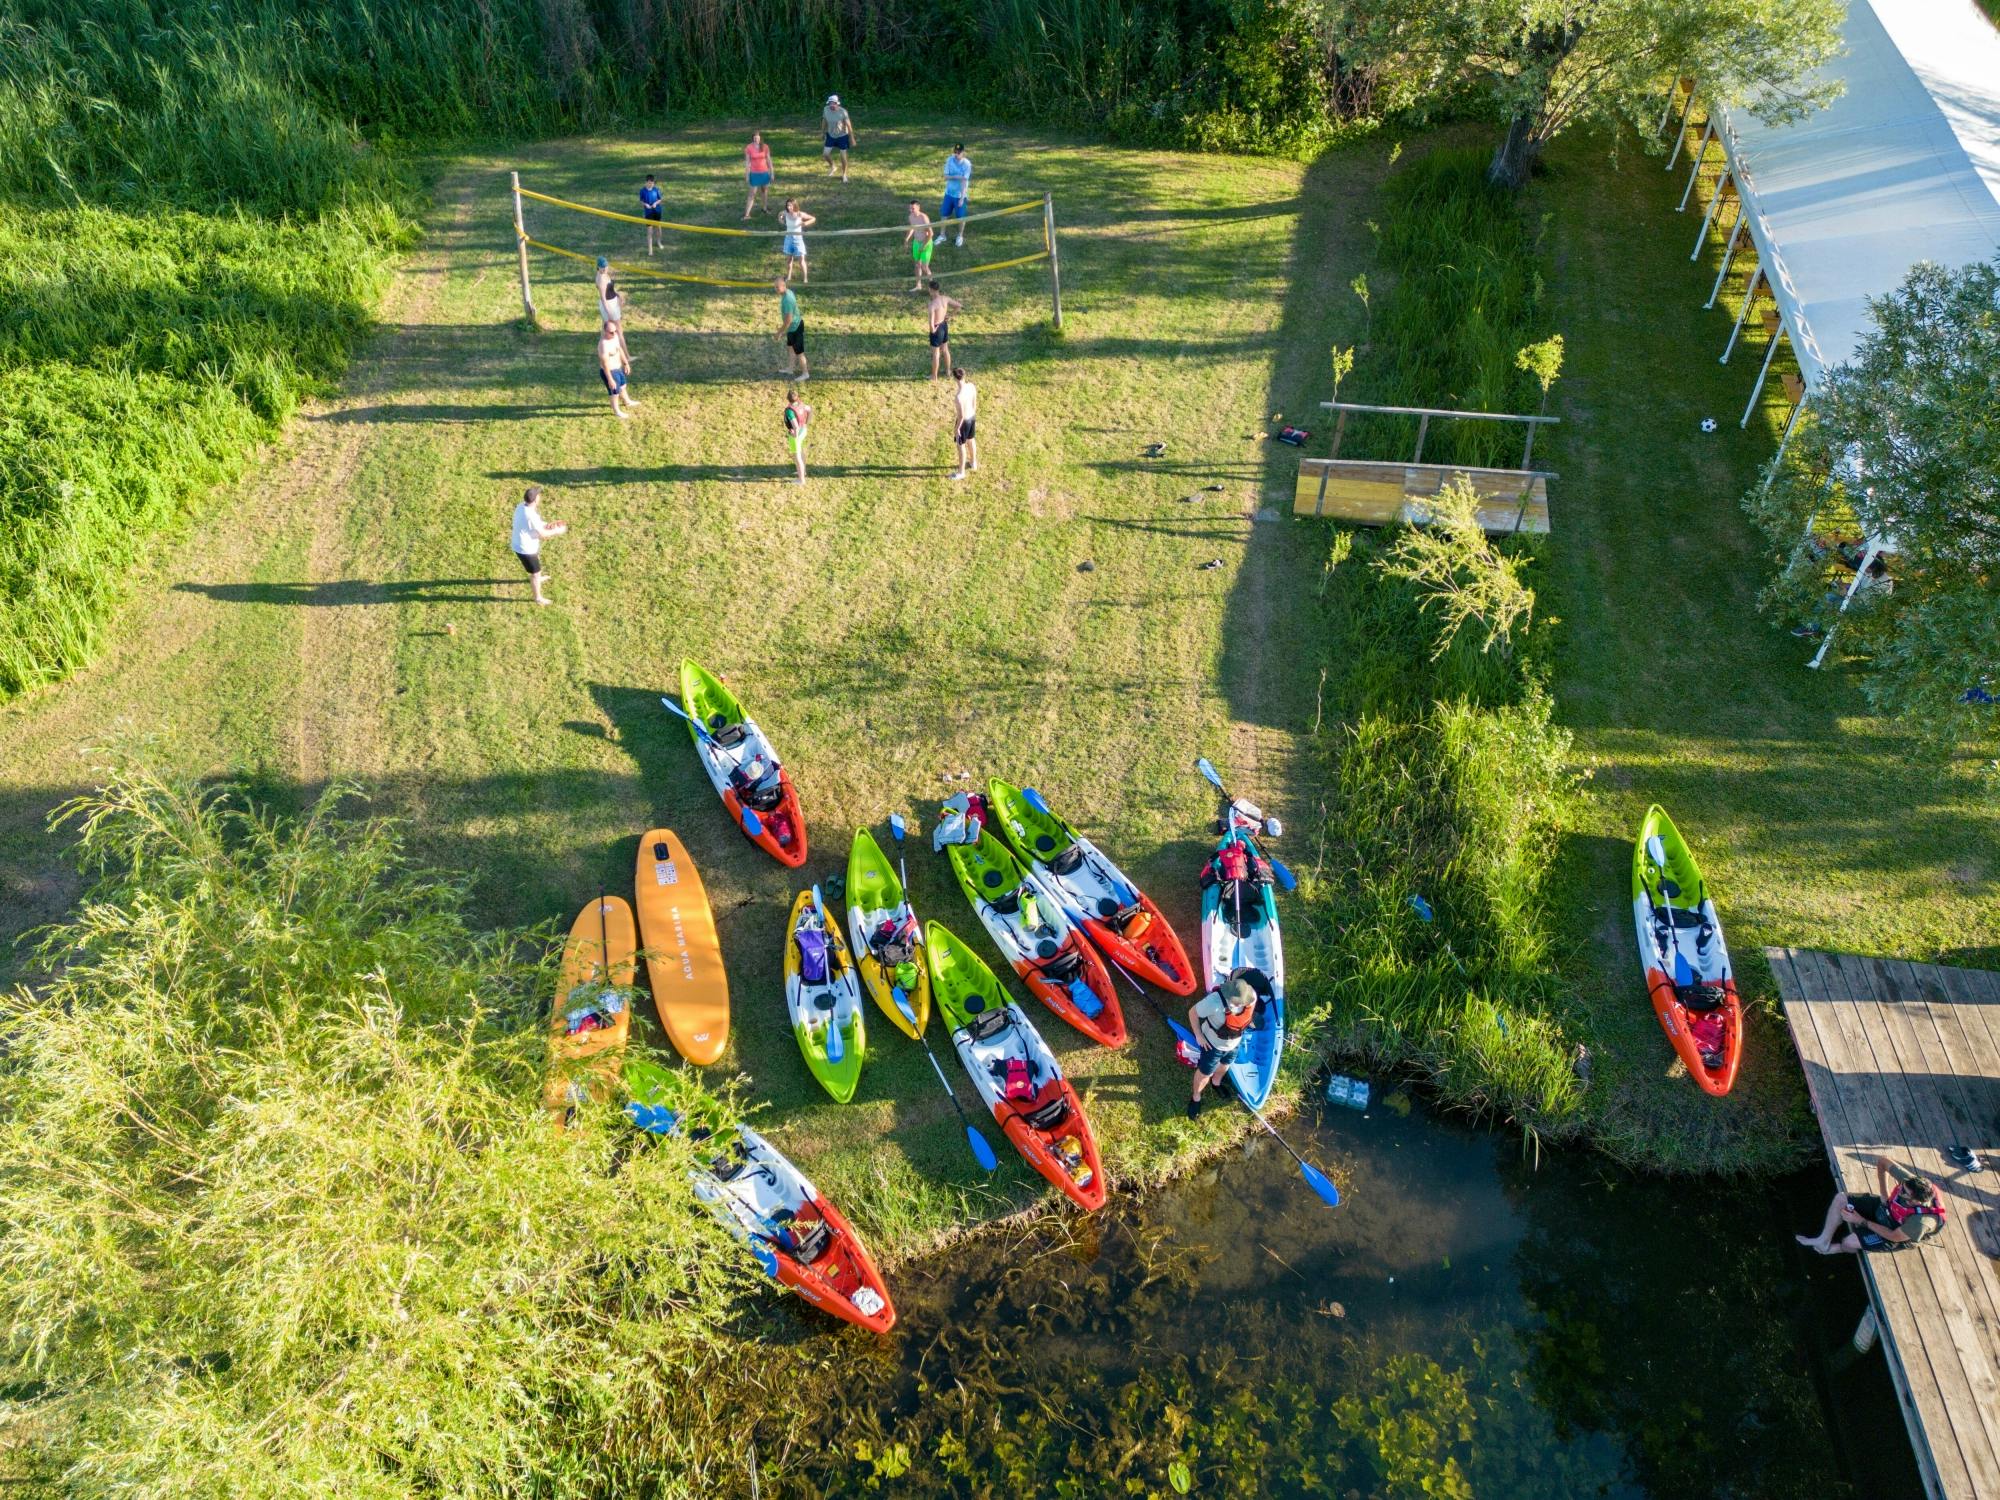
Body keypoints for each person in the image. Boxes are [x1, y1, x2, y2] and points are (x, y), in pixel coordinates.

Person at [1796, 1156, 1947, 1255]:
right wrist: (1883, 1193)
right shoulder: (1910, 1182)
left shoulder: (1919, 1222)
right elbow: (1882, 1161)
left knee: (1849, 1242)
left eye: (1904, 1192)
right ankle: (1823, 1240)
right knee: (1841, 1198)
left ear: (1915, 1201)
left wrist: (1861, 1221)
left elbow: (1893, 1236)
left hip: (1898, 1232)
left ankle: (1834, 1250)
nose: (1900, 1188)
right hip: (1889, 1208)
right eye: (1902, 1186)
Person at [1185, 971, 1260, 1119]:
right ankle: (1196, 1097)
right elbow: (1192, 1013)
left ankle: (1217, 1083)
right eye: (1236, 1002)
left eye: (1242, 1002)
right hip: (1213, 1045)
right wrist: (1199, 1036)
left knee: (1226, 1065)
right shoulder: (1213, 1002)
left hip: (1234, 1043)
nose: (1239, 1005)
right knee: (1205, 1073)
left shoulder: (1251, 996)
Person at [510, 486, 566, 606]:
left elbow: (535, 525)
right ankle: (538, 598)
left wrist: (549, 524)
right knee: (535, 573)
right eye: (538, 495)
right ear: (535, 500)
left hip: (523, 544)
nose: (540, 496)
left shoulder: (522, 506)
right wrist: (557, 531)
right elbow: (543, 534)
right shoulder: (531, 515)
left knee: (536, 568)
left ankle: (538, 579)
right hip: (525, 549)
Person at [598, 318, 637, 418]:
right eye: (611, 332)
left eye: (615, 331)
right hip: (610, 371)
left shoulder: (614, 337)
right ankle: (617, 411)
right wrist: (610, 379)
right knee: (614, 392)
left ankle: (627, 402)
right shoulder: (603, 345)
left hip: (618, 368)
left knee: (623, 386)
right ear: (605, 332)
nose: (614, 334)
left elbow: (619, 350)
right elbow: (605, 364)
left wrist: (625, 363)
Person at [924, 280, 960, 380]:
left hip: (937, 328)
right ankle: (948, 371)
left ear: (930, 290)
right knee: (945, 349)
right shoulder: (945, 298)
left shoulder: (932, 305)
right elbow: (958, 306)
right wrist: (950, 316)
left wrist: (932, 330)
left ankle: (934, 376)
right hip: (944, 325)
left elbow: (931, 324)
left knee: (936, 353)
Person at [775, 276, 808, 381]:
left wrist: (779, 332)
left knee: (799, 352)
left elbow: (788, 320)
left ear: (784, 286)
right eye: (775, 287)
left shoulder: (787, 300)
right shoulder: (787, 292)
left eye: (777, 287)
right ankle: (790, 369)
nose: (776, 289)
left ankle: (805, 373)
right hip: (792, 328)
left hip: (796, 327)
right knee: (791, 349)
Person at [941, 143, 972, 247]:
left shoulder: (967, 164)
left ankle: (960, 236)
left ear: (963, 153)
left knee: (961, 218)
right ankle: (942, 235)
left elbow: (964, 181)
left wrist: (962, 198)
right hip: (949, 193)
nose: (956, 154)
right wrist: (957, 176)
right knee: (944, 215)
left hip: (960, 195)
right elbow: (945, 176)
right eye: (955, 152)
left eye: (958, 152)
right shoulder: (949, 160)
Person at [950, 365, 978, 479]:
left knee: (960, 446)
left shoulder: (958, 397)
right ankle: (973, 463)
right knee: (971, 441)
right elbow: (974, 403)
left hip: (964, 422)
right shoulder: (971, 386)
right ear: (964, 375)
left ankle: (961, 472)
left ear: (955, 379)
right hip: (972, 417)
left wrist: (957, 429)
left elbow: (960, 416)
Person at [778, 199, 814, 284]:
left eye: (790, 205)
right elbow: (780, 214)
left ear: (794, 205)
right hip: (788, 238)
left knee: (801, 260)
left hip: (798, 239)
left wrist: (805, 223)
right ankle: (789, 277)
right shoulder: (785, 213)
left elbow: (813, 218)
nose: (788, 207)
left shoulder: (800, 214)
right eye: (787, 205)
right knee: (789, 260)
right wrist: (781, 220)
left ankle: (805, 278)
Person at [783, 388, 813, 485]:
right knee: (802, 451)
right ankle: (803, 472)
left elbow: (795, 426)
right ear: (797, 397)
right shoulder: (802, 404)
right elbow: (810, 410)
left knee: (797, 456)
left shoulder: (789, 411)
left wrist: (794, 435)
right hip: (803, 430)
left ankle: (801, 480)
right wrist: (806, 423)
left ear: (788, 399)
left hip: (796, 434)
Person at [821, 95, 855, 181]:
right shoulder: (826, 109)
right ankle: (833, 166)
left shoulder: (843, 112)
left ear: (837, 104)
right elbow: (824, 121)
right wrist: (822, 132)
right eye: (830, 103)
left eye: (834, 104)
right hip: (830, 135)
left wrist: (852, 138)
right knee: (825, 154)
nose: (832, 105)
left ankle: (844, 175)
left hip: (842, 136)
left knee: (843, 156)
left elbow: (849, 126)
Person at [904, 202, 934, 290]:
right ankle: (918, 285)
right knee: (917, 265)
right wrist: (906, 239)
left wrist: (923, 245)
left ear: (918, 208)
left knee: (924, 267)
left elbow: (931, 233)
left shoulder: (924, 218)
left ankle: (932, 287)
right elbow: (912, 228)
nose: (911, 210)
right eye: (910, 208)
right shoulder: (910, 217)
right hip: (916, 243)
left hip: (926, 243)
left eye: (913, 208)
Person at [743, 132, 773, 218]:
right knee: (752, 194)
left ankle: (764, 208)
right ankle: (747, 214)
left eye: (758, 138)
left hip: (764, 173)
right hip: (754, 173)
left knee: (764, 191)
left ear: (760, 138)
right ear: (753, 138)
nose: (757, 140)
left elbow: (769, 160)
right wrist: (747, 175)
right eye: (755, 138)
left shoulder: (765, 146)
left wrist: (772, 172)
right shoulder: (749, 148)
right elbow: (747, 163)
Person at [638, 175, 663, 254]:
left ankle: (659, 242)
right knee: (650, 230)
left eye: (652, 183)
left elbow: (660, 199)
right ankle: (650, 249)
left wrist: (655, 203)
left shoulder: (656, 190)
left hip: (657, 211)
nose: (650, 184)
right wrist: (645, 204)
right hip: (648, 212)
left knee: (658, 228)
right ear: (646, 182)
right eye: (649, 183)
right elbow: (641, 200)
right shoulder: (642, 191)